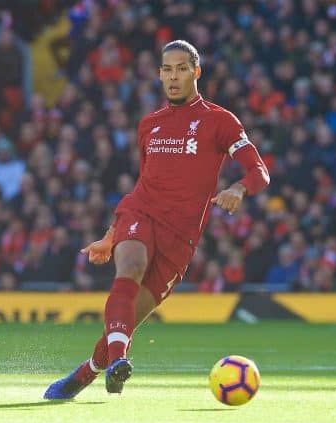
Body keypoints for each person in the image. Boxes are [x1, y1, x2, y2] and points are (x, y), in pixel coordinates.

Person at [44, 40, 270, 399]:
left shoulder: (220, 121)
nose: (173, 76)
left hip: (179, 239)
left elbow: (259, 170)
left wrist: (240, 189)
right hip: (141, 213)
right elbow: (144, 183)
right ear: (159, 74)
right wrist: (112, 234)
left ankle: (86, 373)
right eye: (167, 69)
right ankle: (119, 362)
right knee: (129, 267)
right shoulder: (149, 124)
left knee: (125, 321)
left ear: (196, 72)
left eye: (181, 69)